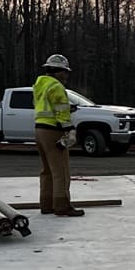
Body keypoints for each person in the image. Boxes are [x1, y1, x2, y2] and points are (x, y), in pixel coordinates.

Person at [33, 53, 83, 218]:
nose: (67, 75)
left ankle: (46, 204)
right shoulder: (57, 87)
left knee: (47, 170)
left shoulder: (40, 84)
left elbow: (46, 107)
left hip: (39, 130)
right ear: (58, 71)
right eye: (65, 72)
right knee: (60, 170)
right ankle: (62, 206)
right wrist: (70, 129)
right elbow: (61, 112)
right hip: (53, 131)